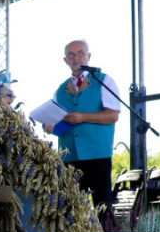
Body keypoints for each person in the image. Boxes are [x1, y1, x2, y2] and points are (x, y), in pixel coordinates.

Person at [45, 39, 120, 213]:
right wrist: (50, 127)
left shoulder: (103, 81)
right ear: (65, 60)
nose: (76, 57)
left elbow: (113, 115)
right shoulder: (61, 89)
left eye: (80, 53)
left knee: (102, 207)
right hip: (69, 157)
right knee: (70, 211)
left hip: (97, 155)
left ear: (89, 56)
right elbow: (59, 122)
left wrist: (82, 117)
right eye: (71, 54)